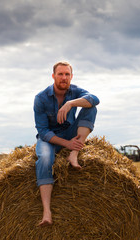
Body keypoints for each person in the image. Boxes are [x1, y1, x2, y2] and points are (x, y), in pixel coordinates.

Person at [33, 61, 99, 226]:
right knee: (45, 159)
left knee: (91, 107)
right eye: (60, 74)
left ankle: (74, 155)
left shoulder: (75, 91)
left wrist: (71, 103)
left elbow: (95, 99)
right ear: (53, 76)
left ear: (71, 76)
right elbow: (43, 131)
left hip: (71, 133)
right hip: (49, 139)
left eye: (67, 74)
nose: (64, 78)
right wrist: (66, 143)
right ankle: (47, 212)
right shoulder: (41, 98)